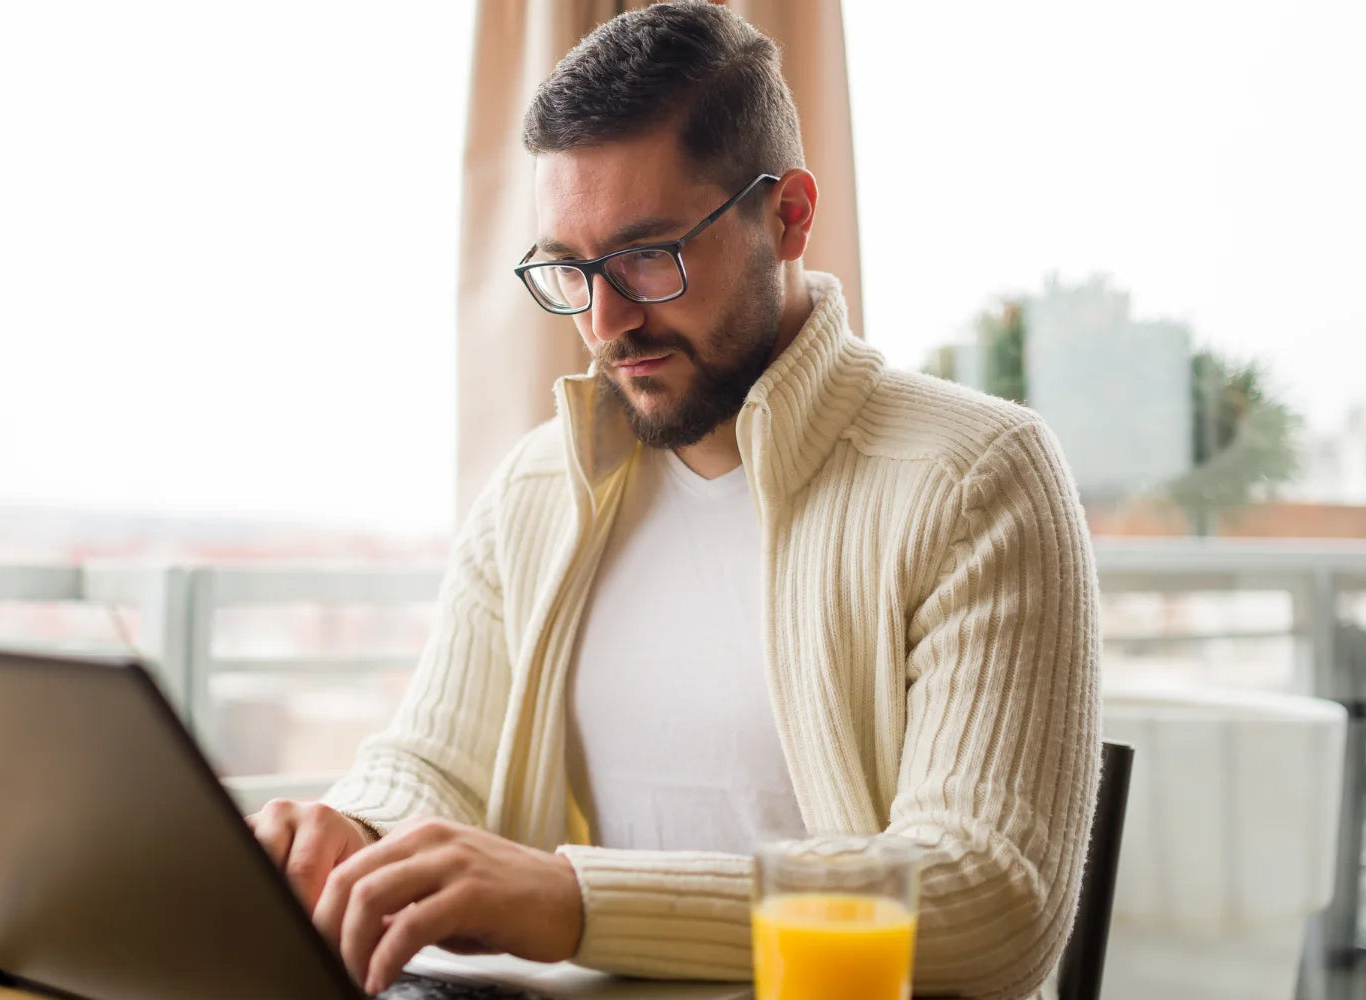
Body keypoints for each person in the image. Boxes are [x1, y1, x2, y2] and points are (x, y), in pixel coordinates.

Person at [246, 2, 1098, 996]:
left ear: (788, 216)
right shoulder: (534, 490)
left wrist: (572, 901)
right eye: (571, 268)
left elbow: (993, 899)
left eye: (649, 255)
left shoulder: (978, 477)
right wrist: (356, 831)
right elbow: (437, 761)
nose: (606, 320)